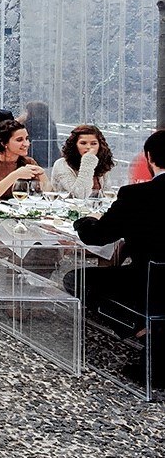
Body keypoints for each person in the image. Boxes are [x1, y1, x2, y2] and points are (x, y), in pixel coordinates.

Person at [69, 129, 165, 387]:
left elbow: (98, 237)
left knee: (77, 279)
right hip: (157, 276)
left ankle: (141, 329)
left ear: (149, 158)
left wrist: (84, 222)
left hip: (149, 282)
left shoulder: (137, 196)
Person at [0, 119, 46, 201]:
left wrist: (42, 174)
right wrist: (15, 175)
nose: (26, 144)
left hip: (19, 211)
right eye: (19, 140)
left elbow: (48, 194)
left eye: (27, 139)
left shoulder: (28, 162)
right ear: (3, 143)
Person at [49, 125, 115, 198]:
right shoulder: (62, 164)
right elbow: (80, 195)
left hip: (96, 208)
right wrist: (87, 161)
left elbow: (107, 194)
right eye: (83, 143)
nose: (88, 147)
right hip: (69, 208)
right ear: (75, 145)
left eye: (93, 143)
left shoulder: (101, 163)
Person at [17, 99, 60, 168]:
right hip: (51, 158)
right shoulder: (50, 123)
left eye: (27, 111)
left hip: (33, 157)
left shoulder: (28, 124)